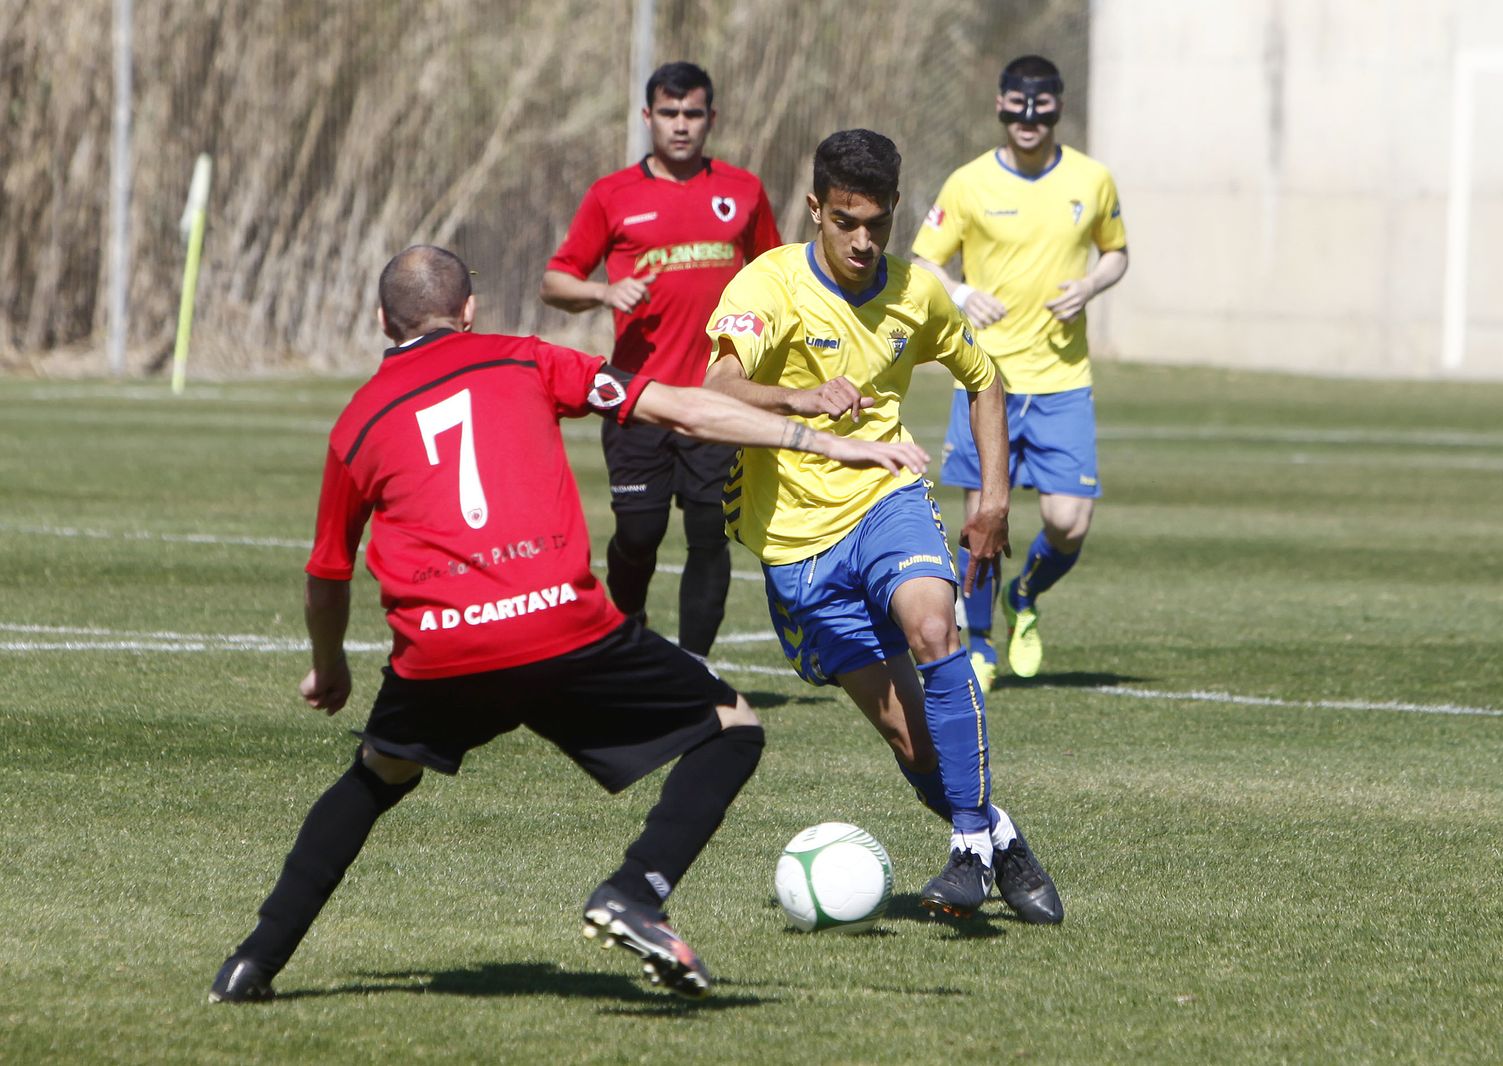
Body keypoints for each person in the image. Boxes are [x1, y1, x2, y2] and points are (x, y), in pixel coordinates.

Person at [208, 246, 927, 1004]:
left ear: (383, 321)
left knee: (378, 772)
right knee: (733, 727)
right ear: (469, 311)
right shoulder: (526, 359)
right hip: (560, 625)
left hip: (444, 647)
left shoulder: (358, 420)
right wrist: (827, 440)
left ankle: (252, 964)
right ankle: (636, 892)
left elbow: (327, 574)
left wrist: (329, 666)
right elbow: (680, 407)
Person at [703, 130, 1063, 924]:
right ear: (815, 209)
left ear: (897, 209)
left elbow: (985, 379)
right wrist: (796, 397)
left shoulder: (917, 293)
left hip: (885, 497)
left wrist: (993, 497)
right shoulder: (770, 285)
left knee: (935, 627)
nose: (862, 241)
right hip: (795, 542)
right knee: (913, 742)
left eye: (877, 223)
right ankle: (1002, 841)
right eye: (845, 221)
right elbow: (717, 386)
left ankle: (966, 850)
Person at [542, 61, 782, 659]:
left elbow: (774, 276)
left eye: (692, 114)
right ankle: (628, 635)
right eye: (669, 113)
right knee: (639, 531)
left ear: (710, 118)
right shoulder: (612, 195)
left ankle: (695, 667)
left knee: (708, 535)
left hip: (716, 396)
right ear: (648, 117)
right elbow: (554, 282)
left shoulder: (743, 190)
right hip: (637, 396)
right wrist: (602, 293)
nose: (681, 125)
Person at [911, 54, 1129, 693]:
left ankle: (1024, 595)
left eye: (1040, 107)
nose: (1028, 119)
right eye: (1017, 106)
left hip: (1063, 378)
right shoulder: (968, 183)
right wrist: (960, 293)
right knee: (982, 518)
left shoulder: (1092, 180)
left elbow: (1116, 253)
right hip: (988, 380)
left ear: (1057, 107)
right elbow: (924, 260)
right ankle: (979, 645)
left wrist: (1090, 284)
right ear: (1001, 106)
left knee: (1069, 522)